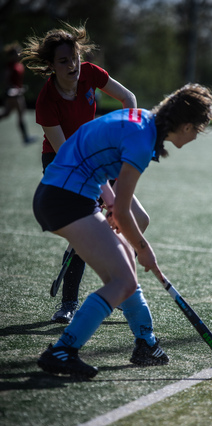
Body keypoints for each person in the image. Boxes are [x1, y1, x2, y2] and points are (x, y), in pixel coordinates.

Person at [33, 83, 212, 378]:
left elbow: (97, 167)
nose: (197, 135)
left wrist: (112, 210)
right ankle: (62, 350)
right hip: (66, 198)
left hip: (70, 193)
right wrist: (146, 251)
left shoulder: (141, 123)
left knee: (125, 269)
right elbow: (124, 213)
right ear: (186, 126)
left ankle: (145, 344)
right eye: (198, 130)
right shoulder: (142, 139)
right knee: (122, 278)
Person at [21, 22, 150, 331]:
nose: (73, 65)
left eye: (74, 57)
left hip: (98, 157)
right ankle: (69, 303)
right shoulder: (46, 101)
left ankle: (119, 281)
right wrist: (103, 192)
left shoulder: (91, 74)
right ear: (51, 66)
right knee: (89, 228)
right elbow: (68, 155)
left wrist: (126, 134)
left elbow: (129, 98)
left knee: (139, 220)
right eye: (63, 61)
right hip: (62, 165)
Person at [0, 42, 36, 144]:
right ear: (11, 55)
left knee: (7, 113)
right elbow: (6, 80)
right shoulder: (10, 66)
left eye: (18, 52)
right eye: (16, 53)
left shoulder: (18, 65)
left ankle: (26, 137)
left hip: (18, 92)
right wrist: (12, 90)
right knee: (21, 112)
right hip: (12, 94)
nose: (18, 54)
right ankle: (26, 138)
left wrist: (20, 88)